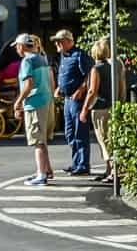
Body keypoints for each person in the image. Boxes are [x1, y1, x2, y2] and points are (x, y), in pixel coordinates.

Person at [12, 33, 57, 186]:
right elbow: (52, 81)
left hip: (35, 103)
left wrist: (18, 102)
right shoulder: (42, 58)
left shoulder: (27, 61)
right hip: (47, 101)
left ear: (22, 46)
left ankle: (41, 175)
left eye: (17, 46)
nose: (17, 49)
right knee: (42, 140)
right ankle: (47, 170)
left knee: (37, 141)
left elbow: (28, 84)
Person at [52, 29, 95, 177]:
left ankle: (83, 165)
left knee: (79, 133)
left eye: (59, 41)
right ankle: (77, 162)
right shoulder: (64, 56)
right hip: (67, 99)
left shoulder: (80, 55)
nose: (57, 44)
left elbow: (90, 75)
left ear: (69, 41)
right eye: (56, 41)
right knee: (70, 133)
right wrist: (59, 88)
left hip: (77, 100)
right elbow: (66, 75)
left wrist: (82, 89)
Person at [82, 38, 114, 181]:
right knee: (110, 138)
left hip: (100, 107)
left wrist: (85, 108)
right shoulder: (112, 66)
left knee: (104, 140)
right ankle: (109, 170)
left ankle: (113, 171)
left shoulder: (96, 69)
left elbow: (92, 91)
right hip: (111, 105)